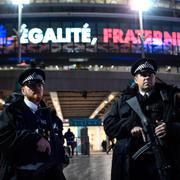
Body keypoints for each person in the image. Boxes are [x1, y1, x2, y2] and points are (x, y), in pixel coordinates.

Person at [103, 58, 180, 180]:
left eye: (150, 74)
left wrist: (170, 128)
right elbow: (108, 125)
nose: (147, 77)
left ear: (155, 77)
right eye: (143, 75)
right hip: (132, 163)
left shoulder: (171, 98)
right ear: (135, 79)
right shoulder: (123, 101)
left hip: (163, 160)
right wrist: (130, 127)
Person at [0, 68, 66, 180]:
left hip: (47, 172)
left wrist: (61, 157)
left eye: (40, 85)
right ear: (23, 91)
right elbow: (3, 136)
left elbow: (53, 140)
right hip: (20, 174)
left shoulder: (47, 114)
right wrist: (34, 138)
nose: (37, 88)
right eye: (32, 86)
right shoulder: (12, 112)